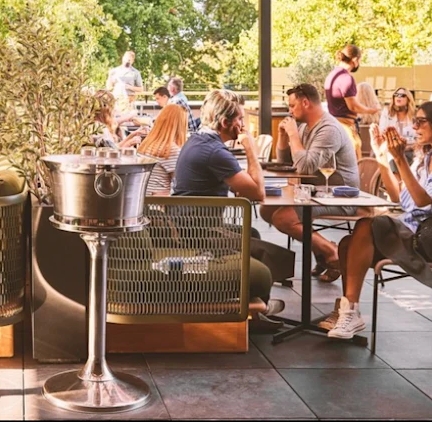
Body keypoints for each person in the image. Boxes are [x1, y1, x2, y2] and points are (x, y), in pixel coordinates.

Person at [326, 101, 432, 340]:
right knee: (347, 244)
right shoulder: (426, 158)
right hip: (417, 231)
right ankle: (349, 311)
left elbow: (423, 200)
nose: (414, 126)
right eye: (415, 121)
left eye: (421, 121)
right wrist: (383, 154)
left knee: (366, 225)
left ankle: (349, 312)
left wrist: (400, 159)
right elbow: (400, 198)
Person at [171, 89, 284, 330]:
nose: (243, 125)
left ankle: (256, 310)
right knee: (273, 254)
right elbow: (258, 193)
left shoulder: (198, 140)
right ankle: (257, 308)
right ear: (225, 122)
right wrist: (251, 149)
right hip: (197, 233)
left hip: (184, 224)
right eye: (240, 119)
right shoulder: (215, 151)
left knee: (252, 235)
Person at [262, 83, 360, 283]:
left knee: (283, 218)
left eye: (292, 106)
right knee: (266, 210)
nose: (289, 111)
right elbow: (287, 163)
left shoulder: (328, 129)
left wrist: (293, 135)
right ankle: (322, 251)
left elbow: (305, 167)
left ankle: (331, 252)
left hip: (339, 196)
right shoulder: (306, 126)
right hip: (315, 192)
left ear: (305, 102)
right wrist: (283, 137)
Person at [324, 45, 379, 156]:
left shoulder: (331, 75)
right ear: (355, 60)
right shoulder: (346, 78)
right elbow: (353, 106)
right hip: (346, 127)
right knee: (354, 163)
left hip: (333, 125)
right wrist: (371, 110)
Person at [137, 104, 187, 196]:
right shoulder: (170, 150)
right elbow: (182, 183)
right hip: (159, 205)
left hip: (142, 201)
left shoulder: (147, 144)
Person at [379, 88, 418, 158]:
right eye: (396, 95)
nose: (398, 97)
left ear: (408, 99)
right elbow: (382, 132)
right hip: (391, 148)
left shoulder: (415, 115)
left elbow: (418, 136)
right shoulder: (387, 112)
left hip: (412, 149)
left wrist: (410, 146)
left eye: (402, 95)